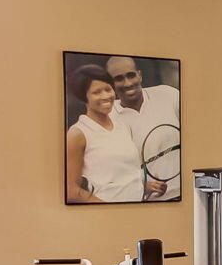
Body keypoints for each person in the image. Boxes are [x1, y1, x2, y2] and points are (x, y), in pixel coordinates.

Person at [65, 64, 144, 203]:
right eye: (97, 92)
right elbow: (72, 191)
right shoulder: (77, 134)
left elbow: (121, 177)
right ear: (84, 97)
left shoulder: (122, 124)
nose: (106, 96)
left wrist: (146, 187)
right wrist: (109, 211)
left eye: (108, 89)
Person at [107, 54, 181, 200]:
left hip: (186, 195)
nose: (127, 83)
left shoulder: (168, 94)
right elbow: (108, 175)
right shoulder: (106, 119)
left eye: (131, 75)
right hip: (148, 203)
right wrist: (141, 186)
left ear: (139, 76)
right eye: (119, 78)